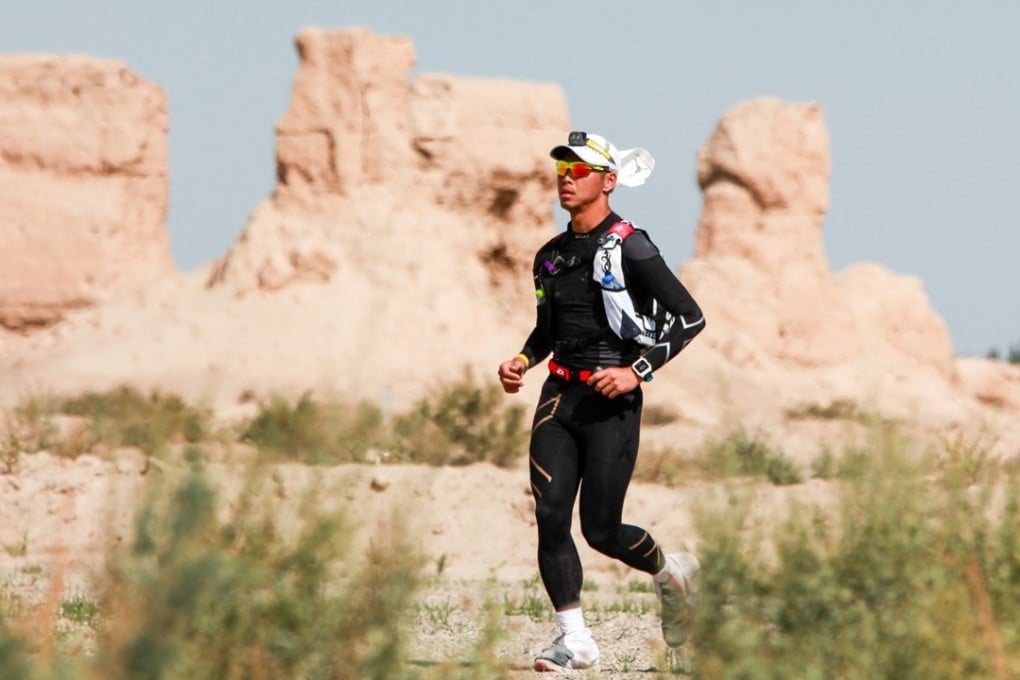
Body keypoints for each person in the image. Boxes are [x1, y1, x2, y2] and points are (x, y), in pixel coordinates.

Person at [497, 131, 706, 672]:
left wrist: (637, 372)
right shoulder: (549, 256)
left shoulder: (631, 244)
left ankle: (671, 573)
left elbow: (691, 318)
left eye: (580, 171)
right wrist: (522, 359)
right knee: (549, 513)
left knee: (601, 531)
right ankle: (575, 640)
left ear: (608, 182)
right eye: (562, 171)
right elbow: (547, 330)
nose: (567, 179)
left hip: (611, 406)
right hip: (558, 398)